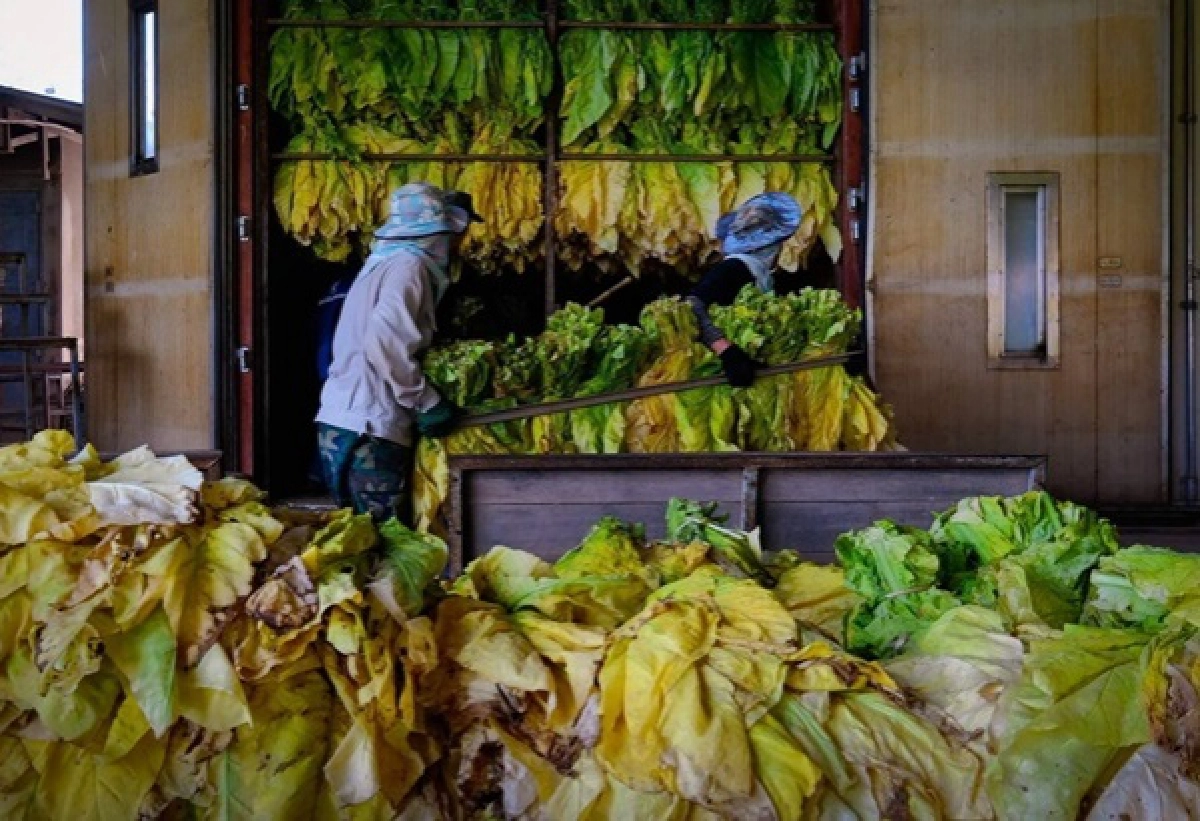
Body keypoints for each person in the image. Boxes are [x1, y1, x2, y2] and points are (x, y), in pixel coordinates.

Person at [315, 182, 481, 521]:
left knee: (360, 540)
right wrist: (426, 401)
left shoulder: (382, 264)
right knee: (387, 545)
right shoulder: (410, 268)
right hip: (371, 427)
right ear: (440, 232)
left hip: (342, 419)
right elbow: (385, 343)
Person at [686, 192, 804, 388]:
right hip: (726, 378)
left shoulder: (758, 273)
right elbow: (693, 305)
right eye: (779, 244)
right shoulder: (734, 269)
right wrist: (726, 350)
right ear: (767, 245)